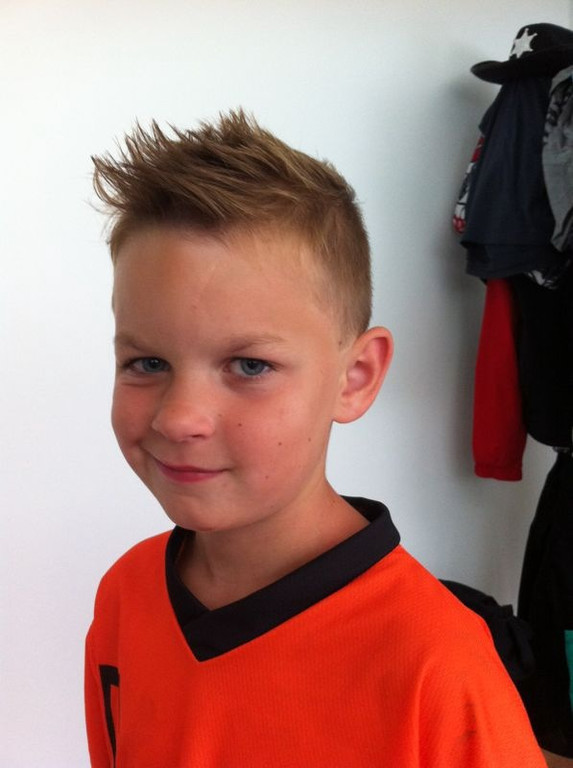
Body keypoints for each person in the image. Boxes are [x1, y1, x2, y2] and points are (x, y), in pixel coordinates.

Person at [85, 110, 545, 767]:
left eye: (249, 366)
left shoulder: (439, 670)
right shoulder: (126, 595)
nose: (178, 418)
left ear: (354, 378)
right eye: (147, 362)